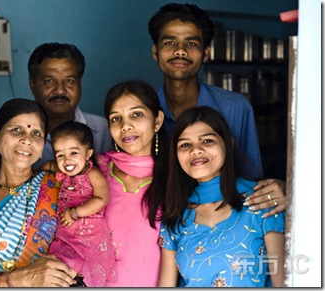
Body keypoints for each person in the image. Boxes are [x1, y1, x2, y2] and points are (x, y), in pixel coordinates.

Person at [0, 42, 112, 217]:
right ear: (32, 84)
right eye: (49, 81)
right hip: (29, 234)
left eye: (69, 81)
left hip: (90, 236)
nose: (60, 90)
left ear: (80, 84)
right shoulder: (9, 136)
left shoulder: (103, 130)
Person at [148, 3, 286, 217]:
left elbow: (252, 181)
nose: (180, 51)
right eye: (170, 42)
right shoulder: (144, 114)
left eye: (191, 43)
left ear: (205, 53)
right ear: (156, 51)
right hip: (163, 222)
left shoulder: (235, 107)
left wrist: (282, 189)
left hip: (226, 222)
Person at [0, 98, 81, 287]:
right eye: (16, 130)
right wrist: (20, 278)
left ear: (43, 146)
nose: (26, 139)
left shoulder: (59, 185)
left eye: (35, 133)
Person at [157, 106, 285, 287]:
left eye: (207, 141)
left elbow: (283, 282)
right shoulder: (175, 214)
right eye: (185, 144)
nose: (196, 150)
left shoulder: (262, 199)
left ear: (228, 143)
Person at [96, 80, 167, 286]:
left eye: (136, 114)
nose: (125, 126)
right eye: (116, 118)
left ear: (158, 120)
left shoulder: (177, 175)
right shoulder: (95, 171)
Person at [42, 121, 116, 287]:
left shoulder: (93, 174)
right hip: (65, 233)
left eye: (74, 152)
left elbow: (101, 199)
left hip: (89, 235)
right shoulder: (58, 172)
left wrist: (75, 212)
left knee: (85, 271)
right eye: (60, 155)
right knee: (61, 269)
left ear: (88, 153)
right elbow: (39, 176)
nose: (66, 159)